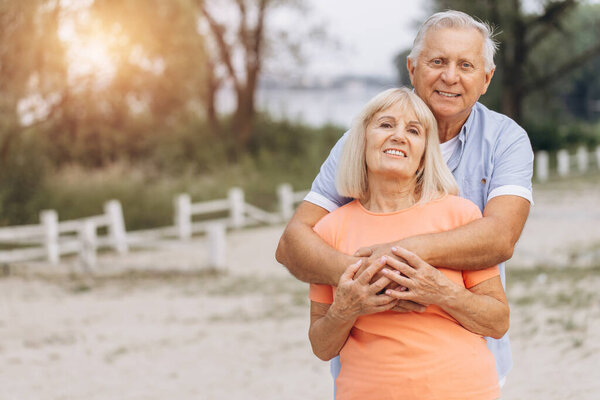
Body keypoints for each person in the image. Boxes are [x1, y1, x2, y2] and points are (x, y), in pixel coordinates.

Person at [276, 10, 533, 388]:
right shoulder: (361, 141)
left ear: (486, 78)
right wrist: (363, 283)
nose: (450, 76)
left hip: (469, 366)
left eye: (465, 65)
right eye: (437, 61)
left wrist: (395, 257)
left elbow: (500, 237)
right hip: (369, 377)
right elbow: (294, 243)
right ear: (412, 69)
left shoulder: (505, 141)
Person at [308, 87, 507, 400]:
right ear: (361, 140)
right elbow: (321, 346)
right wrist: (345, 310)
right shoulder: (327, 231)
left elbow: (498, 321)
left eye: (413, 130)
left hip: (463, 390)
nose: (399, 136)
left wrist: (440, 291)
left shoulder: (461, 215)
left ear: (424, 153)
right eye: (386, 125)